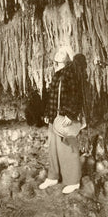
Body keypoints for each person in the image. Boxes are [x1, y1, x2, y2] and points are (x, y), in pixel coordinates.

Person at [39, 47, 82, 194]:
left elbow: (75, 95)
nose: (59, 53)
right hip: (54, 117)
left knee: (67, 149)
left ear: (68, 58)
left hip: (64, 117)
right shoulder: (57, 73)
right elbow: (52, 96)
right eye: (58, 51)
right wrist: (47, 113)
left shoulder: (70, 74)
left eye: (63, 53)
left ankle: (73, 181)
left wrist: (70, 115)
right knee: (53, 149)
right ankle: (53, 176)